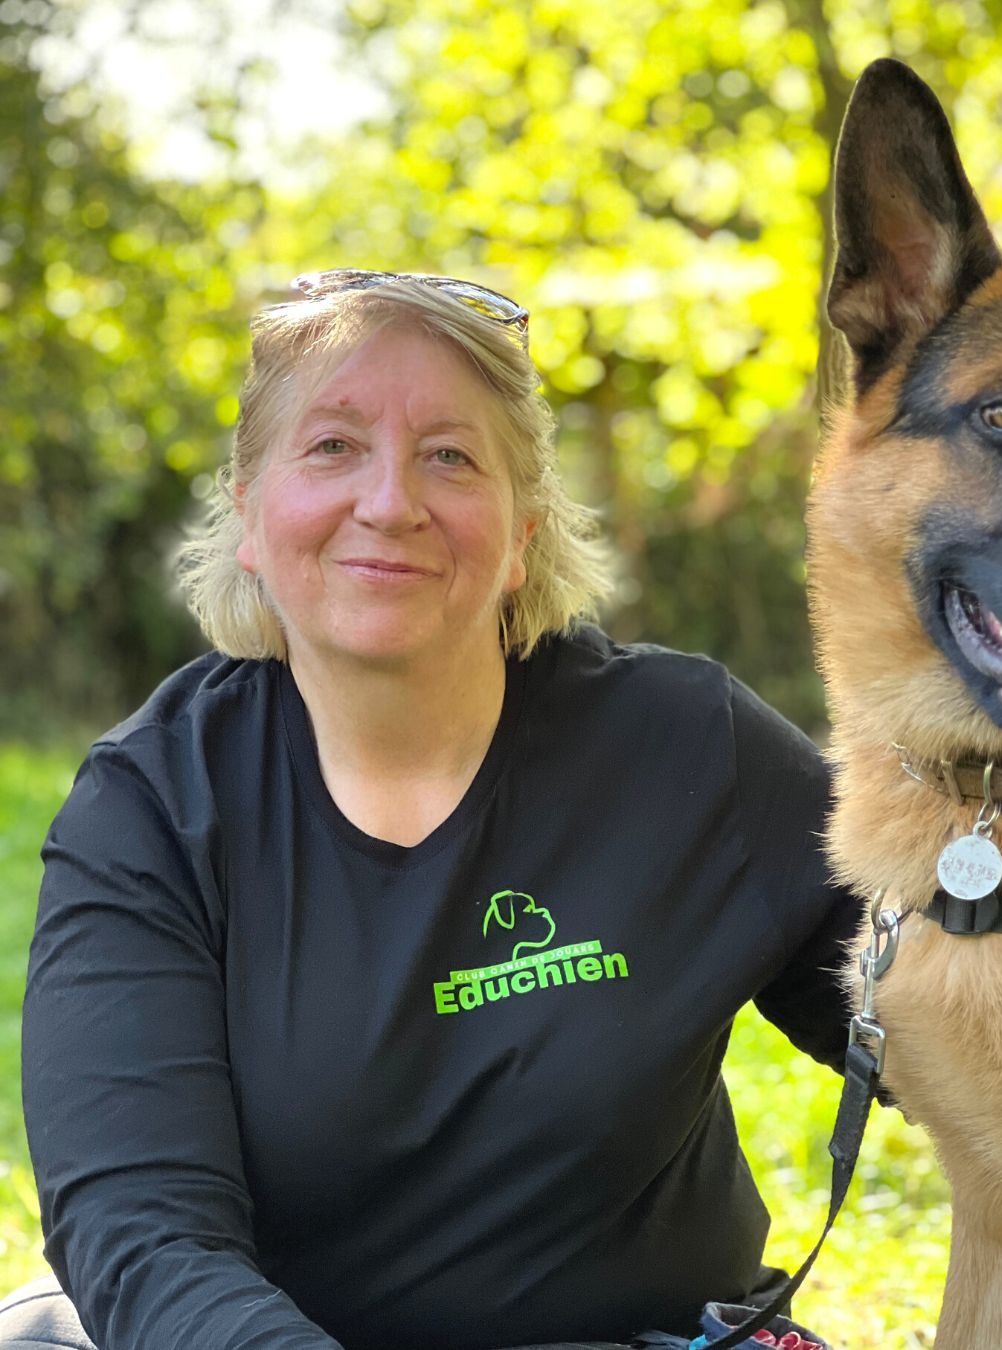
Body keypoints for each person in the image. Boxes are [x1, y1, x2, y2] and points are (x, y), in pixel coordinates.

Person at [13, 271, 861, 1350]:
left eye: (451, 457)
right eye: (332, 448)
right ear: (249, 513)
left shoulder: (687, 744)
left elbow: (960, 1014)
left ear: (520, 536)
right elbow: (142, 1240)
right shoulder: (149, 814)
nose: (390, 502)